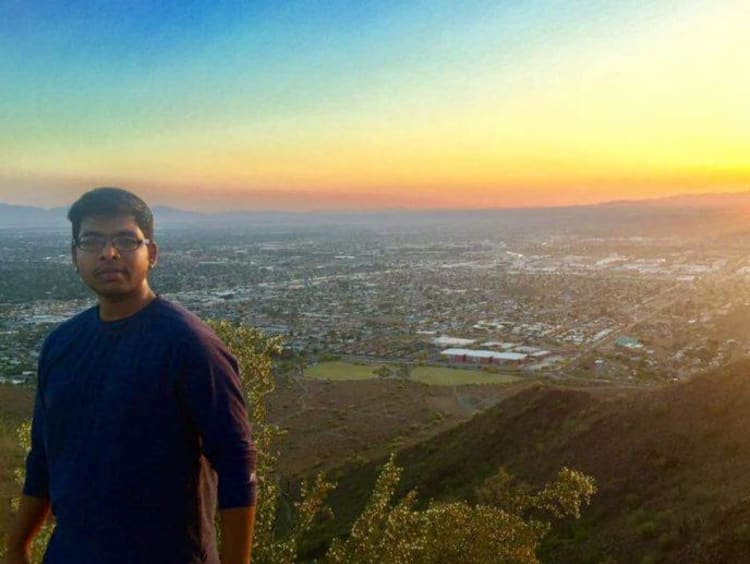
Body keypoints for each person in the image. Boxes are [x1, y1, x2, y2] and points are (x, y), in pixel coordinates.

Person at [4, 188, 257, 564]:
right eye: (92, 241)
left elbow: (236, 464)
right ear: (74, 255)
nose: (109, 253)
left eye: (126, 239)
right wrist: (17, 545)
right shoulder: (59, 346)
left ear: (151, 253)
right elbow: (43, 457)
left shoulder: (190, 346)